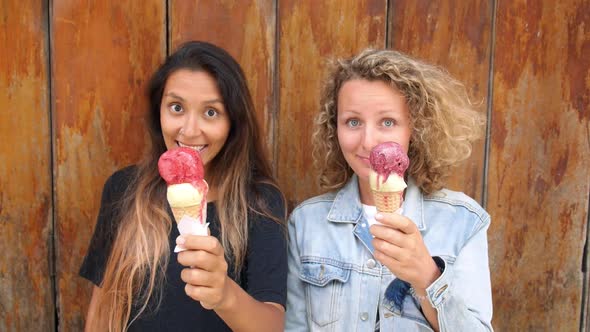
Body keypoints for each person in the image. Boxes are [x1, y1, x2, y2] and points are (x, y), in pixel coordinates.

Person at [80, 41, 287, 332]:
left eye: (211, 112)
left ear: (234, 123)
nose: (189, 131)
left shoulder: (260, 202)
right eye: (176, 108)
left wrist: (224, 294)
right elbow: (102, 313)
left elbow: (273, 325)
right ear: (158, 112)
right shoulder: (123, 190)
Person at [285, 48, 493, 331]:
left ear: (416, 129)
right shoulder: (306, 223)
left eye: (388, 122)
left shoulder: (464, 221)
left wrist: (427, 276)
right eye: (353, 122)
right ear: (335, 128)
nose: (368, 141)